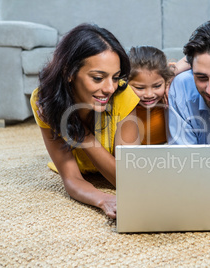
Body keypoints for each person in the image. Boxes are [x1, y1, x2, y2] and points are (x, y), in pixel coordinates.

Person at [30, 23, 140, 219]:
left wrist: (82, 135)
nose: (110, 88)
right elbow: (71, 178)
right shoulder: (45, 101)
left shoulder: (123, 95)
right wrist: (102, 199)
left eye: (115, 77)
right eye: (98, 78)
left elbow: (128, 179)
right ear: (69, 73)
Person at [128, 46, 175, 144]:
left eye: (157, 86)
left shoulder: (170, 97)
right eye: (140, 88)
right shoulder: (123, 105)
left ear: (166, 81)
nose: (149, 95)